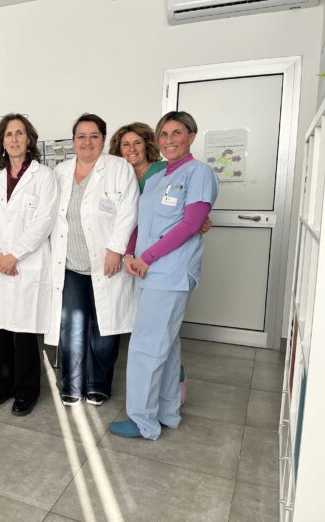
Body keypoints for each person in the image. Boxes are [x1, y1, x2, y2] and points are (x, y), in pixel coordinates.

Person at [109, 111, 219, 440]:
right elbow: (139, 223)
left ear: (191, 136)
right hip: (147, 272)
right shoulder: (157, 179)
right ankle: (168, 412)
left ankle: (142, 421)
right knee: (166, 347)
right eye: (164, 134)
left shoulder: (198, 173)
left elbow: (191, 224)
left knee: (145, 347)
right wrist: (131, 254)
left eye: (177, 133)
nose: (170, 140)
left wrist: (147, 257)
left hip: (169, 273)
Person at [45, 114, 139, 407]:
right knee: (71, 326)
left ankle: (98, 383)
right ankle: (71, 384)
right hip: (70, 264)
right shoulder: (59, 172)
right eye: (81, 136)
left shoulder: (119, 168)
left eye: (94, 136)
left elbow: (129, 211)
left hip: (106, 262)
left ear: (103, 139)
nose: (87, 142)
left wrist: (116, 249)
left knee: (104, 328)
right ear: (73, 140)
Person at [0, 114, 58, 416]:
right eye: (8, 134)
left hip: (27, 262)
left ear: (29, 140)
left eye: (20, 133)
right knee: (0, 328)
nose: (14, 139)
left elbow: (44, 221)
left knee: (24, 331)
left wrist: (14, 255)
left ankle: (27, 390)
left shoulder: (44, 177)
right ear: (2, 142)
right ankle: (3, 385)